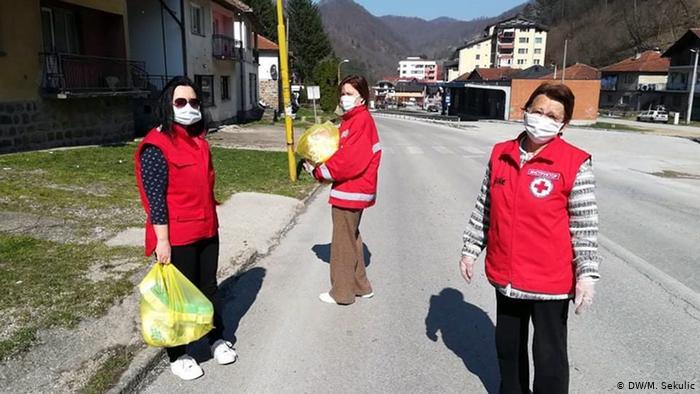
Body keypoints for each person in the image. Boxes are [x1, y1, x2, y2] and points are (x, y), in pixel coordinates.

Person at [459, 82, 601, 394]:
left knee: (549, 356)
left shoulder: (574, 162)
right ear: (526, 111)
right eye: (538, 111)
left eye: (553, 115)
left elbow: (585, 225)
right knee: (508, 349)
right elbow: (485, 206)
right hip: (506, 275)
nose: (543, 119)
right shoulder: (501, 154)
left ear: (563, 124)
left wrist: (587, 274)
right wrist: (471, 248)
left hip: (550, 280)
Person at [134, 76, 236, 381]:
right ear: (168, 105)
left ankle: (215, 337)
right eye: (181, 102)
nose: (189, 107)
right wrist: (161, 240)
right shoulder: (155, 145)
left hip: (206, 228)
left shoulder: (199, 141)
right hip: (176, 235)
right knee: (178, 296)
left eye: (194, 102)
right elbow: (155, 199)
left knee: (209, 288)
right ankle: (179, 354)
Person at [304, 74, 382, 305]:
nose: (344, 97)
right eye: (343, 93)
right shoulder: (352, 120)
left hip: (351, 190)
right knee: (352, 238)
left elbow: (349, 161)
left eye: (349, 94)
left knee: (342, 243)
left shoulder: (360, 121)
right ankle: (361, 286)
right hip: (354, 190)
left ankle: (341, 293)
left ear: (362, 98)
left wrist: (319, 172)